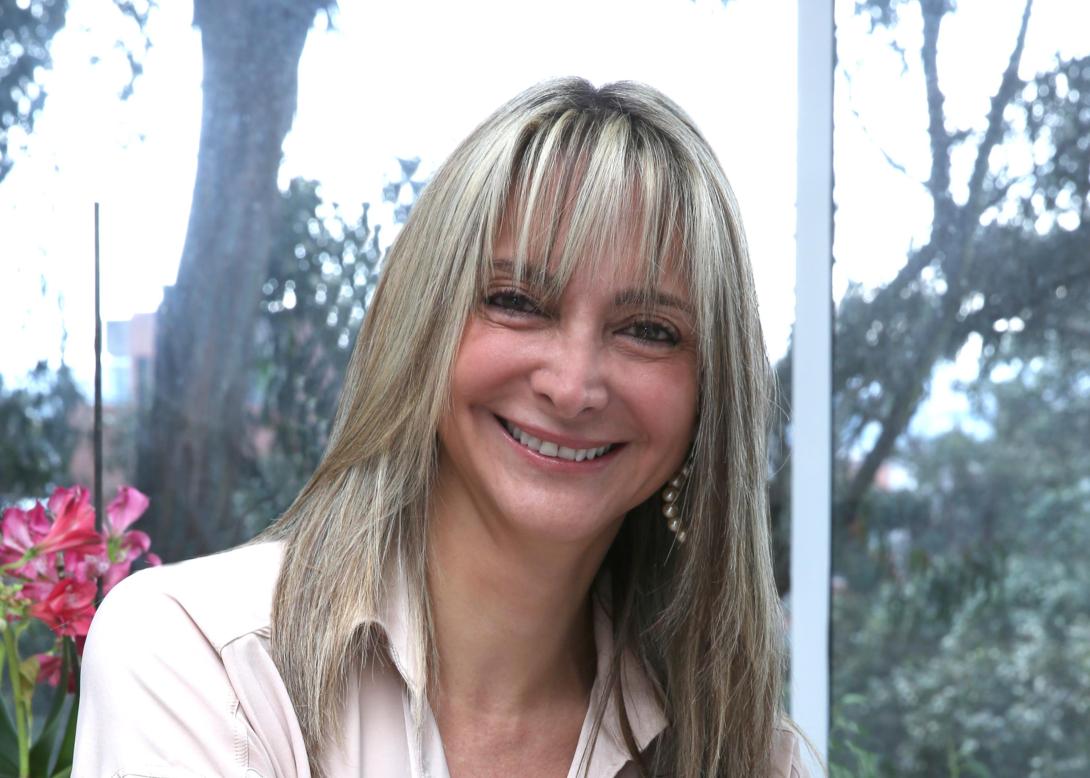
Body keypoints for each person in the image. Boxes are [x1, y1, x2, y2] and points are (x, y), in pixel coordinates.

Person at [73, 78, 810, 778]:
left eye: (648, 329)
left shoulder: (747, 754)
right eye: (518, 301)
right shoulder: (202, 661)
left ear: (710, 396)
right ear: (421, 327)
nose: (573, 385)